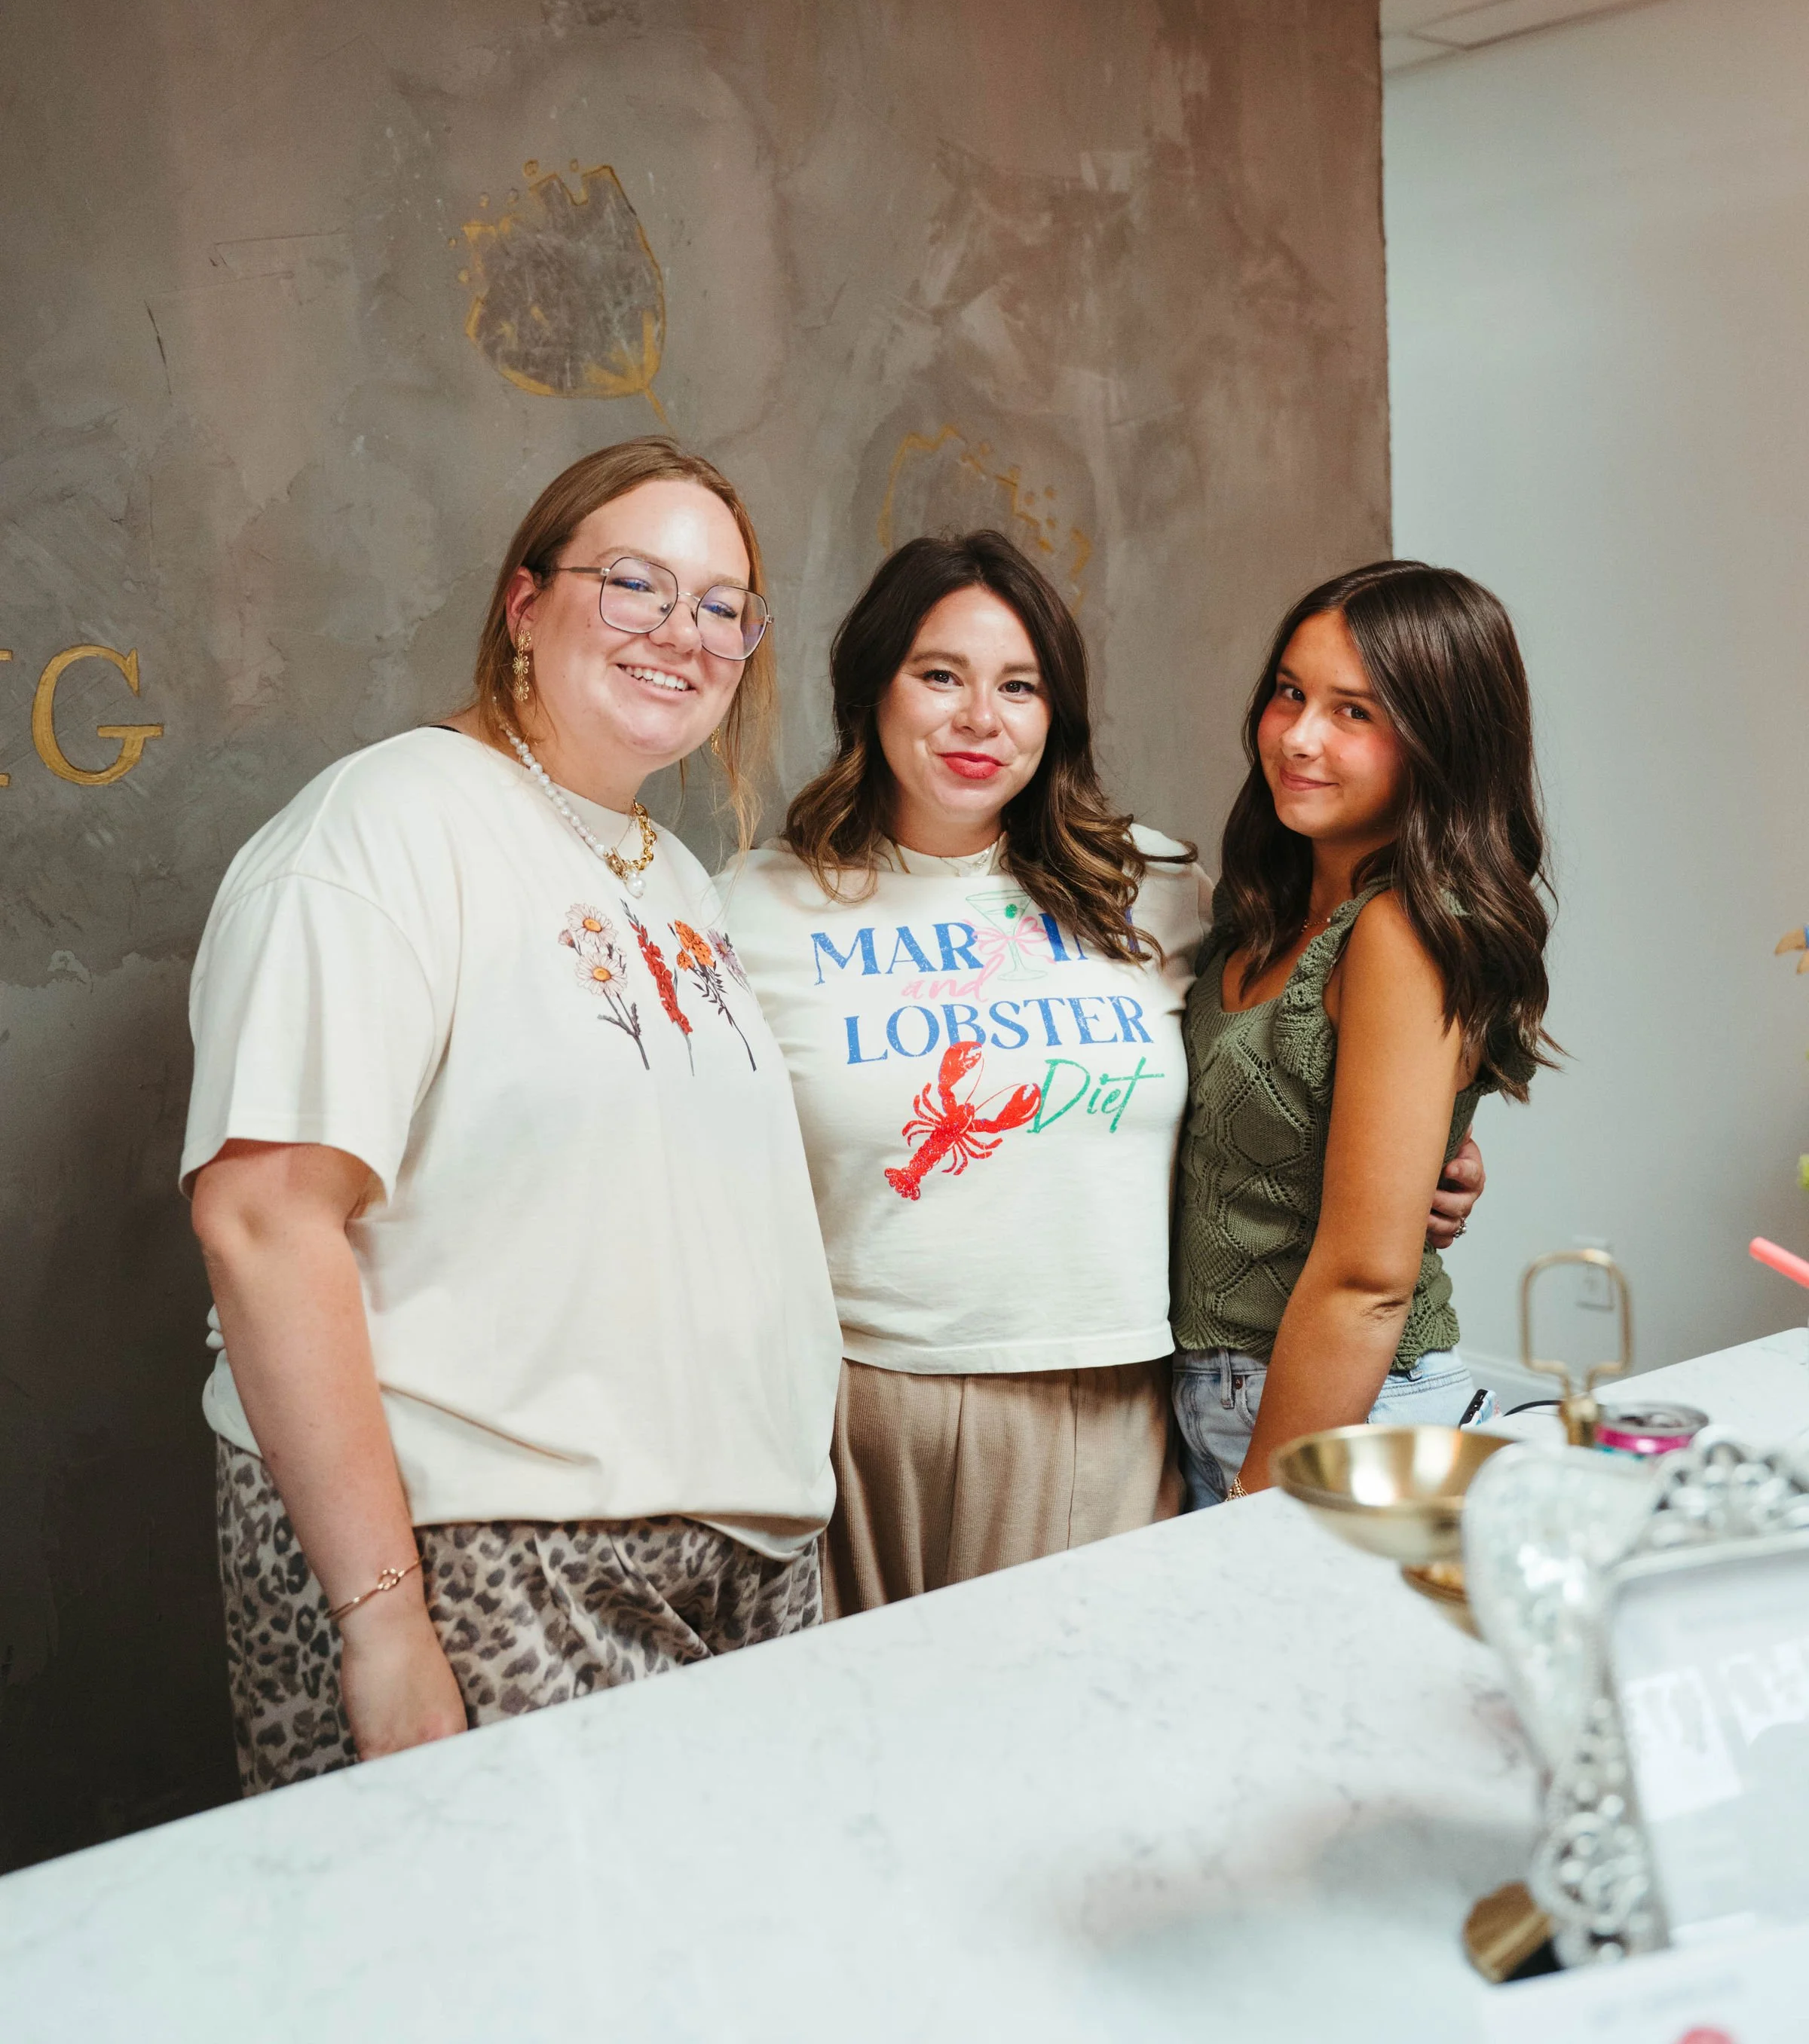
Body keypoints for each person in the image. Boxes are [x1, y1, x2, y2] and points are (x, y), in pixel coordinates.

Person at [185, 437, 842, 1789]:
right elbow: (261, 1222)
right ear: (525, 603)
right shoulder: (382, 829)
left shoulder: (669, 872)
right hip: (489, 1552)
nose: (684, 633)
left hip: (737, 1559)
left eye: (724, 605)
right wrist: (383, 1621)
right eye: (637, 585)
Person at [727, 531, 1483, 1611]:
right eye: (940, 674)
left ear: (1058, 714)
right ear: (871, 688)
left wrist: (1427, 1159)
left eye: (1020, 685)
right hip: (855, 1409)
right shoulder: (749, 908)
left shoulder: (1157, 885)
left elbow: (1293, 1064)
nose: (979, 718)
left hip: (1111, 1409)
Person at [1171, 559, 1552, 1509]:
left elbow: (1367, 1280)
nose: (1299, 737)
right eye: (1291, 694)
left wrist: (1268, 1489)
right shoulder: (1267, 913)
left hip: (1334, 1412)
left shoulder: (1400, 929)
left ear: (1439, 740)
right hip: (1228, 1394)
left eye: (1356, 712)